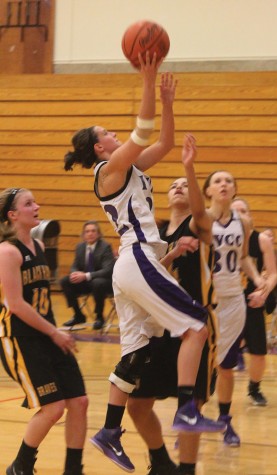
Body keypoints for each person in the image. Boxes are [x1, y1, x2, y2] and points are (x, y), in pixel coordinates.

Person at [63, 54, 225, 473]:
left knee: (136, 355)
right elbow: (142, 130)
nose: (115, 135)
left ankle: (109, 430)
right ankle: (188, 407)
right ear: (99, 148)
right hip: (136, 256)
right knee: (195, 325)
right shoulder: (108, 170)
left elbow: (164, 143)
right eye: (107, 133)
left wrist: (168, 101)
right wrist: (148, 80)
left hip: (139, 262)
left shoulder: (129, 167)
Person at [127, 133, 218, 475]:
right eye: (175, 185)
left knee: (190, 403)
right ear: (164, 197)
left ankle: (188, 469)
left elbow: (198, 207)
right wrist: (172, 254)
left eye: (185, 185)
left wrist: (189, 168)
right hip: (157, 327)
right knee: (137, 404)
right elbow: (148, 274)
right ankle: (162, 461)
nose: (179, 187)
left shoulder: (199, 225)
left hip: (192, 328)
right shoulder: (155, 234)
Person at [0, 187, 88, 475]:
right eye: (28, 204)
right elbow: (16, 304)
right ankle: (20, 466)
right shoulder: (7, 252)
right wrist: (54, 332)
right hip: (19, 337)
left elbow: (42, 300)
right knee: (53, 407)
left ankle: (72, 470)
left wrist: (54, 330)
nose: (36, 206)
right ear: (13, 215)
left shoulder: (38, 248)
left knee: (80, 401)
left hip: (46, 332)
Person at [202, 171, 266, 447]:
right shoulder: (200, 220)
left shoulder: (244, 221)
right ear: (207, 191)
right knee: (202, 366)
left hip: (233, 300)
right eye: (217, 181)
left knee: (226, 366)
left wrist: (258, 278)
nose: (224, 184)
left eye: (229, 180)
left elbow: (243, 258)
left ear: (235, 189)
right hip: (205, 300)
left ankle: (225, 422)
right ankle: (192, 421)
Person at [231, 198, 277, 405]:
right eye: (234, 211)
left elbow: (273, 273)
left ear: (250, 216)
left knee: (259, 353)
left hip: (252, 302)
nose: (239, 215)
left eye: (243, 210)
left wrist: (264, 293)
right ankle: (207, 384)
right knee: (213, 352)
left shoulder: (261, 240)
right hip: (224, 303)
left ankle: (254, 388)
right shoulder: (219, 238)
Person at [60, 220, 115, 330]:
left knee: (97, 282)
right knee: (65, 281)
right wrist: (75, 273)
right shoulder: (80, 247)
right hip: (86, 282)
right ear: (83, 235)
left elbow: (108, 270)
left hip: (104, 283)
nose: (90, 234)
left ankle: (99, 317)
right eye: (87, 231)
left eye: (93, 231)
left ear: (99, 234)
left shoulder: (105, 247)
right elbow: (74, 265)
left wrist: (86, 275)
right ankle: (78, 315)